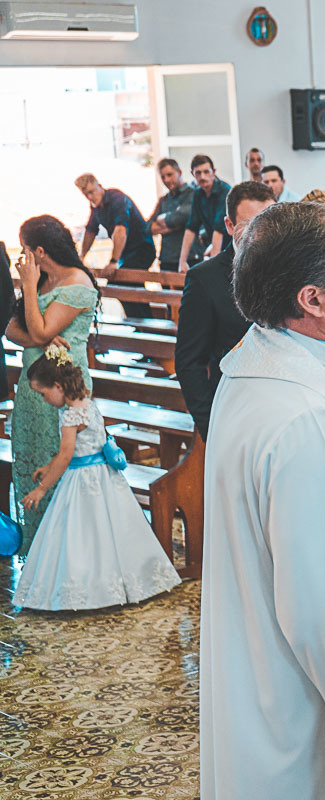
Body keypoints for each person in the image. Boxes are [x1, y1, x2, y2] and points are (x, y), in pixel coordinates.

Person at [200, 201, 325, 800]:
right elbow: (315, 611)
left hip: (258, 676)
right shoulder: (301, 417)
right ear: (312, 300)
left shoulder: (258, 367)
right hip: (303, 713)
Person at [12, 346, 180, 610]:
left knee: (83, 534)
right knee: (113, 529)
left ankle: (89, 590)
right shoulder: (88, 405)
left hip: (82, 480)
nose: (44, 400)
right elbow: (73, 452)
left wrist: (42, 488)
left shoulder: (71, 416)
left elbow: (66, 456)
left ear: (58, 386)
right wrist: (48, 466)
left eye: (43, 394)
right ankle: (130, 583)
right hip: (105, 477)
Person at [7, 215, 99, 552]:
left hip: (63, 390)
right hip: (32, 390)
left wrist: (29, 288)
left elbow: (39, 329)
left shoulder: (78, 283)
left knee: (60, 458)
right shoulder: (43, 282)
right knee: (31, 459)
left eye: (26, 250)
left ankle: (66, 551)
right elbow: (12, 330)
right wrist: (41, 338)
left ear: (40, 252)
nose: (23, 257)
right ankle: (38, 549)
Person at [176, 181, 271, 441]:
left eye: (268, 223)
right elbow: (189, 362)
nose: (261, 234)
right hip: (236, 412)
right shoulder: (204, 279)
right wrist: (212, 426)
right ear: (229, 225)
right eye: (250, 225)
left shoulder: (291, 269)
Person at [76, 173, 156, 275]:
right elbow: (90, 231)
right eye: (86, 194)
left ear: (100, 186)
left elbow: (120, 230)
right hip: (126, 253)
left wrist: (113, 261)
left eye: (91, 192)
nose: (90, 197)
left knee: (120, 281)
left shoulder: (117, 199)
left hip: (142, 250)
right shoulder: (96, 207)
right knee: (122, 280)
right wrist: (82, 256)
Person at [180, 155, 232, 269]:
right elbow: (191, 227)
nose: (202, 176)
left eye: (206, 172)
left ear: (213, 172)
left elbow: (219, 230)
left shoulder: (225, 191)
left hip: (232, 248)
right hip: (215, 248)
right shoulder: (198, 193)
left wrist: (213, 268)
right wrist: (182, 262)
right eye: (198, 173)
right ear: (192, 174)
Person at [149, 158, 200, 269]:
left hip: (191, 259)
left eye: (169, 175)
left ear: (179, 173)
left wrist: (162, 220)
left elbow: (183, 217)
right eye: (163, 177)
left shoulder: (193, 194)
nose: (166, 180)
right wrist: (177, 226)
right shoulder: (163, 200)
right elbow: (149, 227)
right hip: (167, 260)